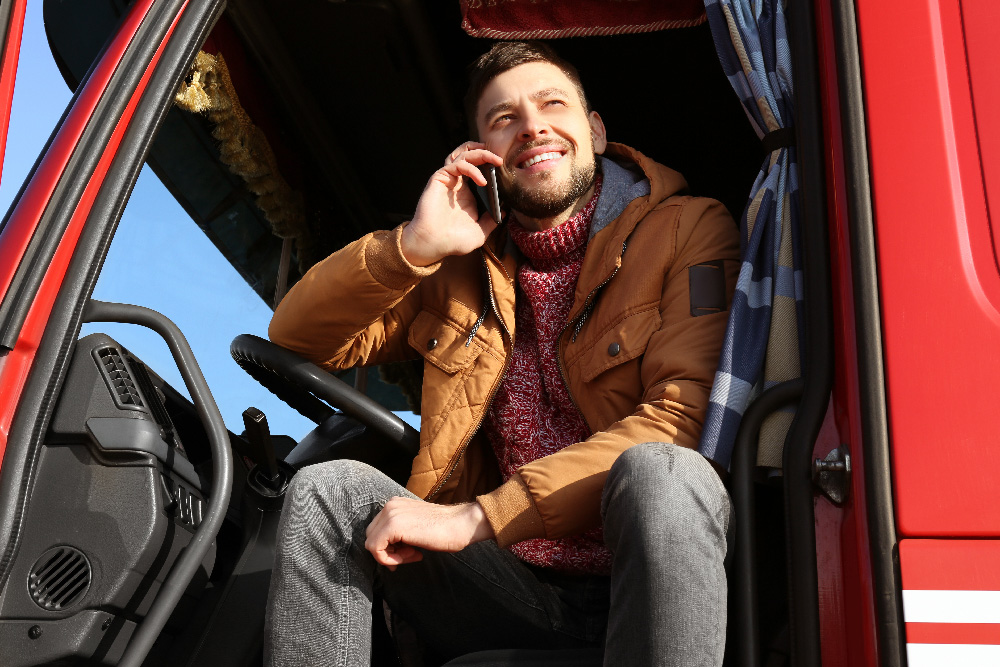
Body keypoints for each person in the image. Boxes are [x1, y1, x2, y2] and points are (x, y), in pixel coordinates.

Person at [264, 41, 739, 667]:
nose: (533, 126)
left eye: (552, 104)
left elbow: (682, 424)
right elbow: (298, 338)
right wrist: (414, 243)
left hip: (644, 583)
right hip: (513, 585)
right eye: (504, 119)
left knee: (665, 474)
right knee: (330, 490)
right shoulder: (454, 267)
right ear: (482, 157)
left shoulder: (690, 228)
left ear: (594, 131)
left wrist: (477, 518)